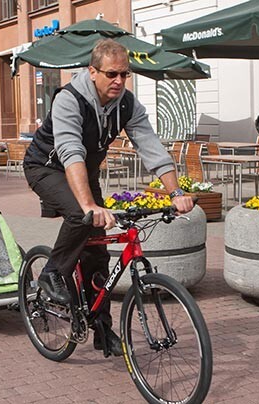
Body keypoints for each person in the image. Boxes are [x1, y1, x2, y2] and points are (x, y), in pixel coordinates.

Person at [23, 39, 194, 357]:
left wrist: (176, 192)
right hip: (46, 168)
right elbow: (70, 150)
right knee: (80, 215)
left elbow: (151, 147)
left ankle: (102, 328)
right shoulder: (69, 100)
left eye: (125, 74)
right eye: (112, 74)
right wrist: (88, 206)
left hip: (84, 175)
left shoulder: (127, 105)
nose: (119, 81)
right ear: (92, 72)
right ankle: (52, 273)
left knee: (98, 257)